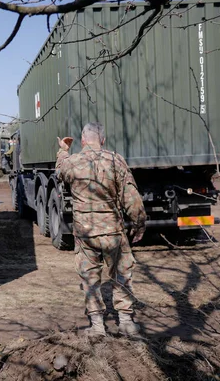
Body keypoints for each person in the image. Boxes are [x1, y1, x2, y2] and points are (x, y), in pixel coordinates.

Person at [55, 122, 146, 339]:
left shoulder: (73, 162)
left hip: (86, 234)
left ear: (83, 140)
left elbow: (59, 171)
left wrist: (63, 150)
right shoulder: (116, 160)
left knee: (90, 277)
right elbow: (130, 196)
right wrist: (138, 223)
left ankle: (97, 326)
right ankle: (126, 322)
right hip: (113, 232)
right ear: (102, 140)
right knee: (122, 274)